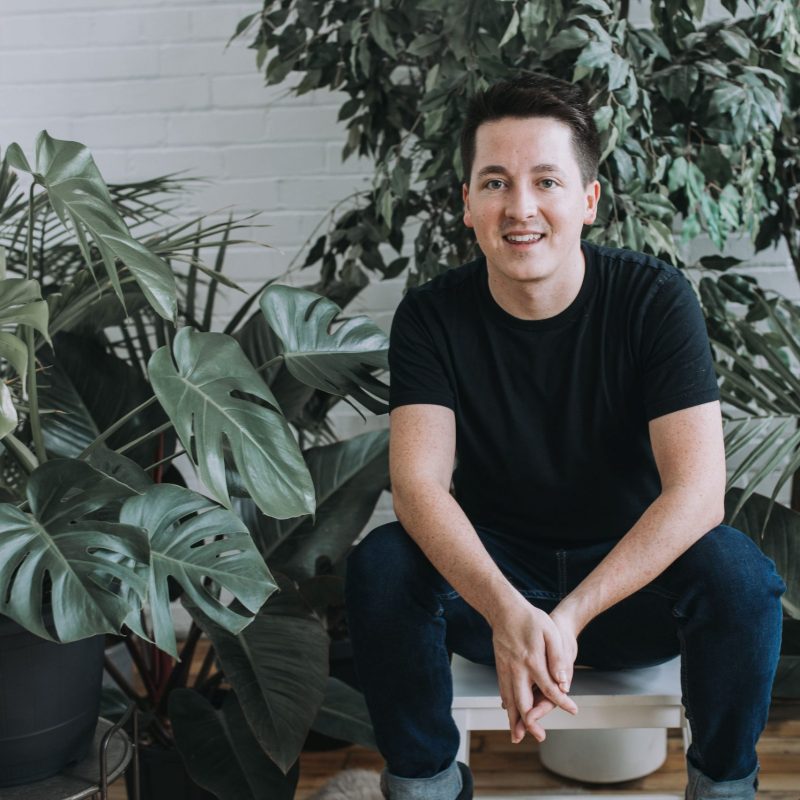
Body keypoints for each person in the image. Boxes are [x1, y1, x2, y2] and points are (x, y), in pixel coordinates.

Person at [344, 73, 786, 800]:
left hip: (627, 595)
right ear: (466, 204)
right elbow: (418, 487)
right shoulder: (430, 317)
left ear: (588, 200)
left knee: (740, 578)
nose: (520, 207)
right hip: (493, 588)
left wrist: (568, 613)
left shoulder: (654, 300)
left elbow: (699, 493)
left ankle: (724, 789)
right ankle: (426, 786)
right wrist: (509, 612)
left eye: (546, 180)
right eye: (495, 182)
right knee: (382, 568)